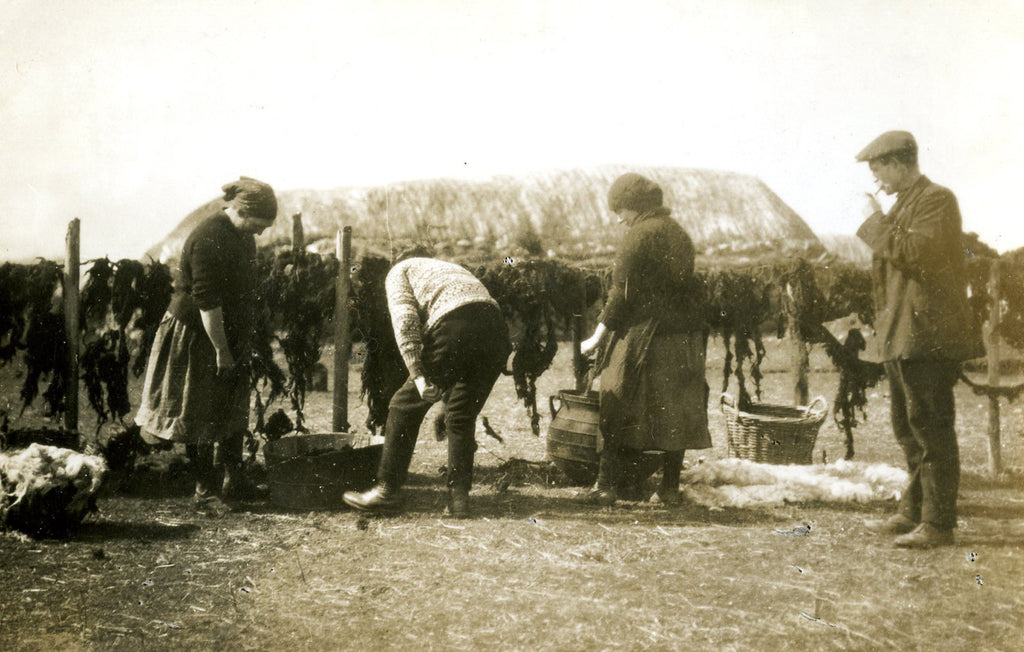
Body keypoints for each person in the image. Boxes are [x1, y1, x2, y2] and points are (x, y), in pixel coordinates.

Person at [856, 131, 983, 548]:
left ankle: (938, 523)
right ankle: (914, 511)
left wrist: (875, 220)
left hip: (927, 336)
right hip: (904, 335)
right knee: (907, 427)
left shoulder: (936, 200)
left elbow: (916, 254)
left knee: (930, 427)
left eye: (879, 168)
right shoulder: (908, 205)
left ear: (899, 163)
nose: (877, 178)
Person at [135, 176, 277, 514]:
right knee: (197, 409)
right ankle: (205, 492)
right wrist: (222, 351)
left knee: (232, 407)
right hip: (197, 334)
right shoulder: (209, 237)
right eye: (260, 225)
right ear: (243, 210)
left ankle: (234, 479)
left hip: (227, 333)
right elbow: (207, 302)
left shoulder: (242, 237)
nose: (261, 233)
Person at [578, 172, 711, 506]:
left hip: (646, 335)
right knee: (676, 409)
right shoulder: (679, 233)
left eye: (620, 210)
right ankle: (668, 488)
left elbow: (620, 293)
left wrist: (596, 336)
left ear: (634, 207)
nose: (619, 218)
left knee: (616, 394)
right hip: (685, 338)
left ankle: (605, 486)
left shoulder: (639, 235)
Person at [342, 255, 510, 518]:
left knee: (402, 405)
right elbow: (471, 328)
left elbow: (405, 321)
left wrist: (418, 376)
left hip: (455, 325)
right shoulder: (448, 268)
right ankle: (458, 500)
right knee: (461, 416)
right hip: (497, 331)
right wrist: (444, 399)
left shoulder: (398, 272)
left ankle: (387, 491)